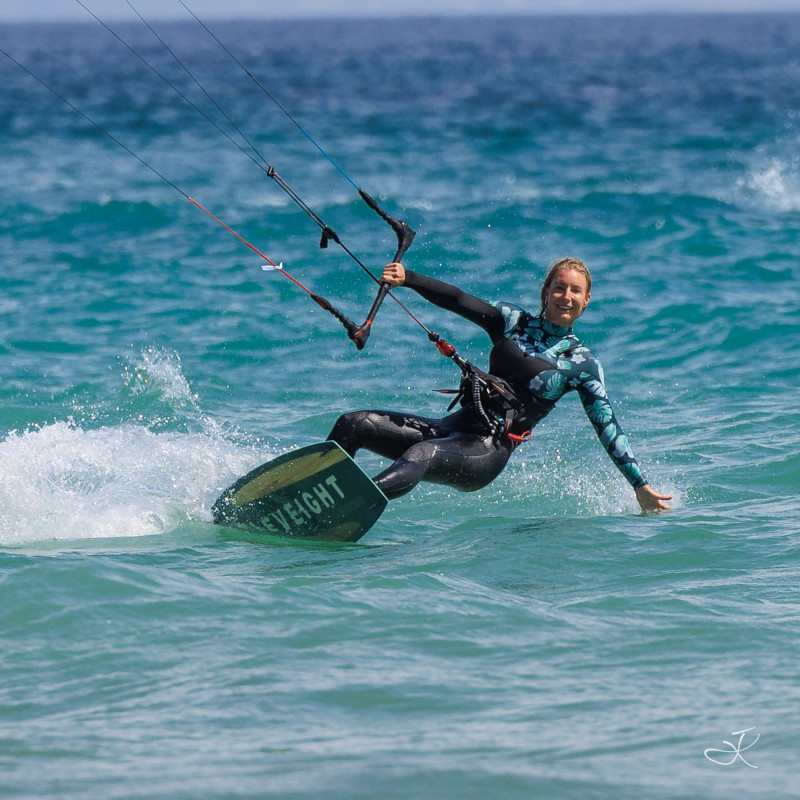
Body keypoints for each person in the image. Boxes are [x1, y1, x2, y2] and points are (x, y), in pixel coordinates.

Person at [327, 258, 672, 511]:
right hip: (452, 429)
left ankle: (347, 507)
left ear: (586, 300)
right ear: (547, 292)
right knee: (353, 424)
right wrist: (409, 278)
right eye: (560, 287)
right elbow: (460, 300)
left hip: (486, 451)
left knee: (420, 454)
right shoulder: (512, 322)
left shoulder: (584, 365)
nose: (566, 296)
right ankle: (307, 491)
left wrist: (639, 485)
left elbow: (607, 426)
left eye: (575, 291)